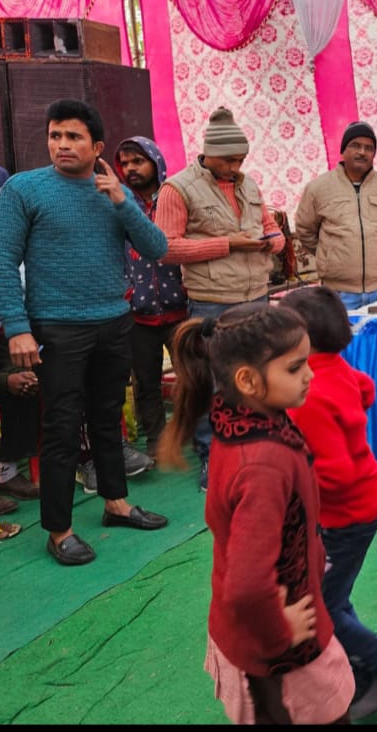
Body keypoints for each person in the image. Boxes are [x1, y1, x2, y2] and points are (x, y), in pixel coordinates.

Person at [0, 98, 170, 566]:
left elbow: (156, 247)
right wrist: (18, 329)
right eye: (55, 135)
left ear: (97, 146)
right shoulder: (23, 189)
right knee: (62, 428)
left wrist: (121, 201)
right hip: (56, 328)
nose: (62, 144)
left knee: (108, 421)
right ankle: (59, 529)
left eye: (73, 136)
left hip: (113, 322)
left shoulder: (114, 191)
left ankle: (116, 504)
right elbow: (2, 261)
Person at [158, 302, 354, 724]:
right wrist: (280, 630)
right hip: (276, 649)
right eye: (295, 367)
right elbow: (247, 586)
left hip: (268, 628)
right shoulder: (263, 463)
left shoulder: (243, 420)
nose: (310, 375)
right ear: (247, 380)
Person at [279, 285, 377, 721]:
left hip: (345, 516)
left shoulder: (310, 393)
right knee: (333, 595)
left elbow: (334, 473)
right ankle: (355, 664)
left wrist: (291, 482)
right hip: (357, 507)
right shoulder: (332, 369)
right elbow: (365, 387)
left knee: (321, 606)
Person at [154, 106, 285, 490]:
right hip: (212, 301)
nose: (236, 167)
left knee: (255, 378)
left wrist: (273, 241)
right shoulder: (177, 189)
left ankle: (254, 448)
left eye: (241, 159)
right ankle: (213, 457)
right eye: (229, 160)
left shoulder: (248, 184)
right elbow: (165, 248)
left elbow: (271, 227)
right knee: (212, 384)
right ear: (208, 153)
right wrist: (229, 244)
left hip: (256, 297)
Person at [116, 136, 186, 460]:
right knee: (146, 383)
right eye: (125, 164)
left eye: (138, 161)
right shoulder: (118, 203)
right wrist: (127, 291)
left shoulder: (175, 197)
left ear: (156, 162)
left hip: (180, 308)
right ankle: (157, 444)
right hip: (138, 312)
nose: (131, 168)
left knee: (192, 376)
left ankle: (195, 435)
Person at [295, 121, 377, 310]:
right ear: (343, 150)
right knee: (340, 331)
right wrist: (330, 253)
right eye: (355, 145)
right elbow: (305, 229)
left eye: (369, 148)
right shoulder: (318, 188)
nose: (362, 152)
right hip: (338, 292)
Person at [0, 292, 41, 518]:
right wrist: (4, 381)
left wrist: (16, 374)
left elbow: (0, 353)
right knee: (10, 383)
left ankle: (7, 474)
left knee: (23, 385)